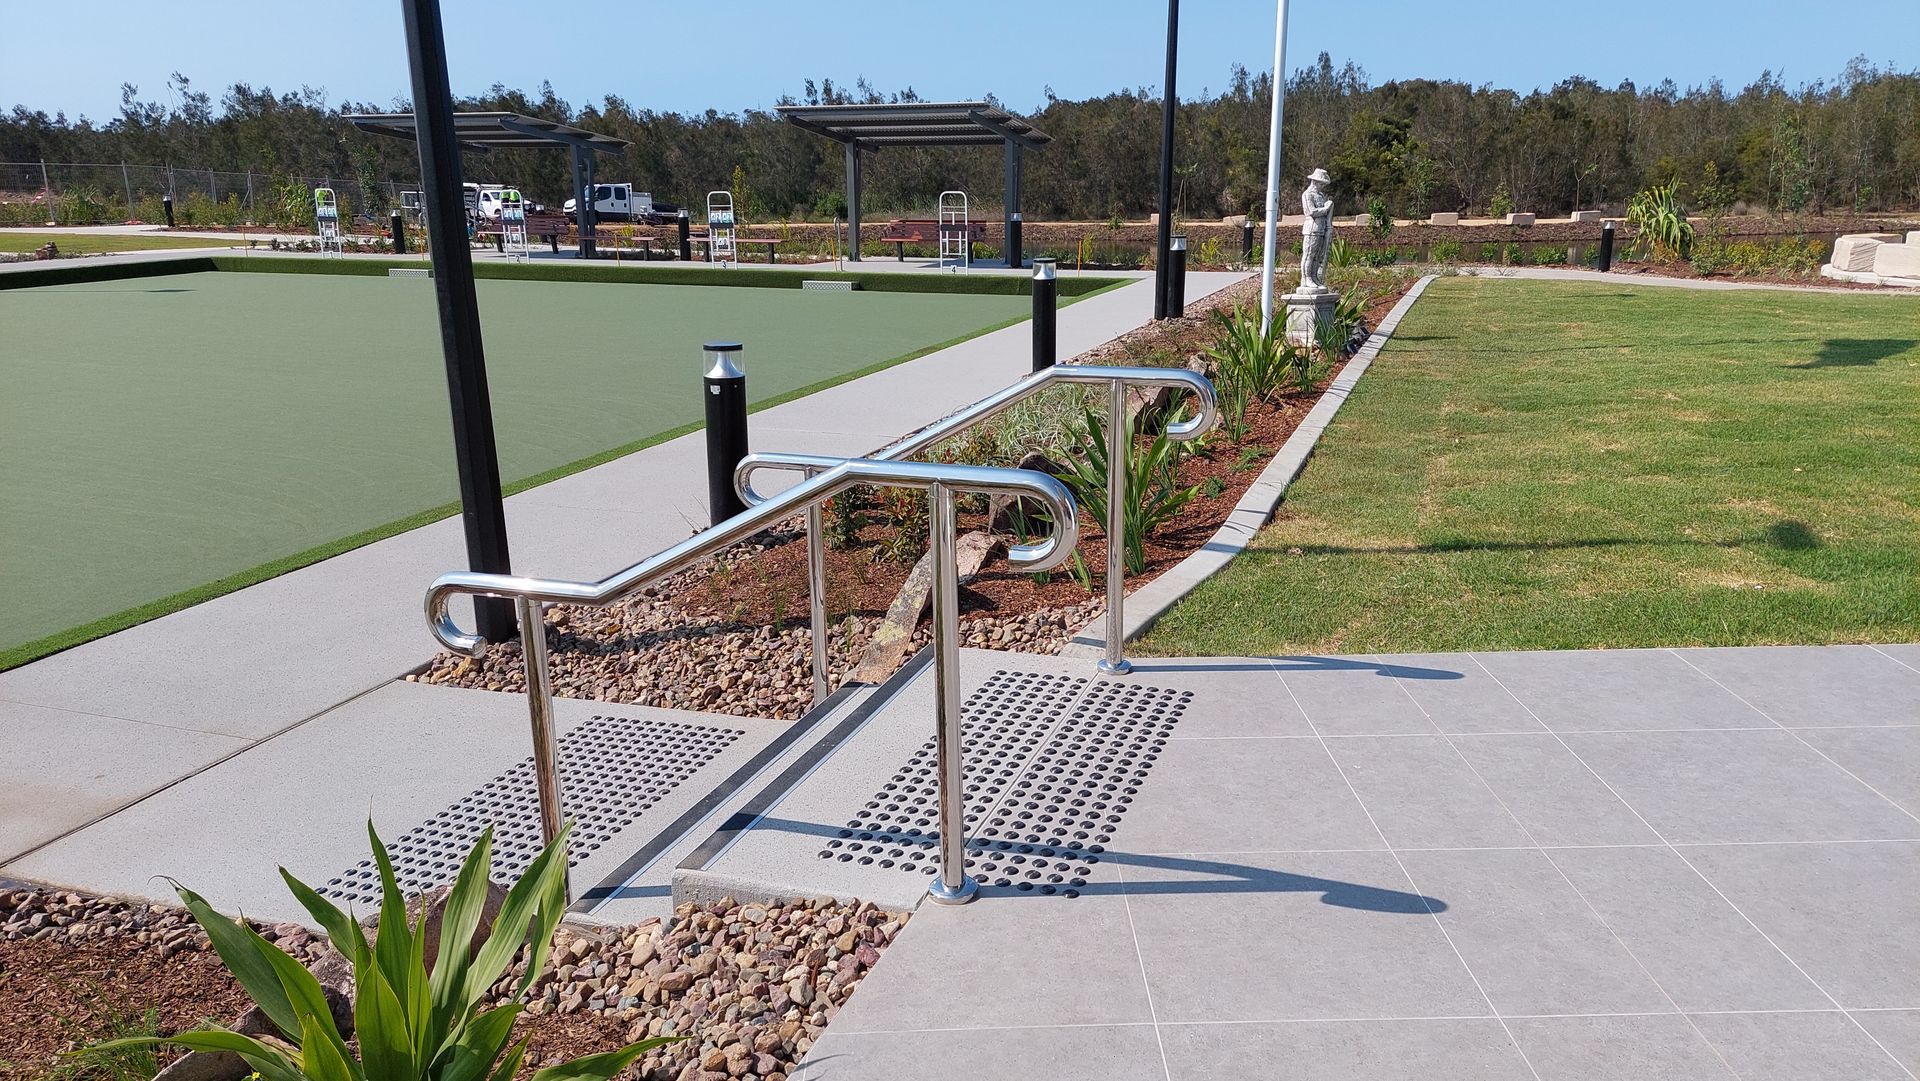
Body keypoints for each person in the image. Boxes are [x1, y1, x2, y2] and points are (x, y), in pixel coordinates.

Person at [1300, 167, 1334, 292]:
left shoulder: (1320, 196)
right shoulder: (1308, 194)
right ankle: (1306, 278)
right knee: (1309, 254)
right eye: (1322, 184)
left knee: (1317, 256)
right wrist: (1325, 209)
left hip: (1321, 229)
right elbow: (1311, 211)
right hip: (1311, 229)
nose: (1323, 186)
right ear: (1315, 182)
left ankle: (1314, 277)